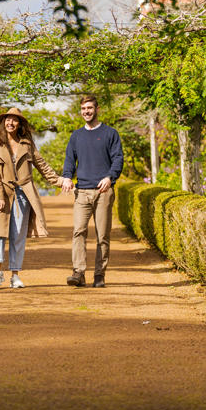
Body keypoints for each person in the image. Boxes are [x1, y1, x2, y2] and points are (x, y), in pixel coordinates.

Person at [0, 107, 71, 288]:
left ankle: (15, 274)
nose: (10, 123)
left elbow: (42, 166)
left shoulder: (27, 144)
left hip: (23, 193)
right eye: (8, 119)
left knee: (18, 234)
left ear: (20, 123)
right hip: (1, 193)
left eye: (15, 120)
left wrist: (60, 181)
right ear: (3, 122)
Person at [62, 95, 124, 288]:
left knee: (102, 235)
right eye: (83, 108)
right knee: (78, 231)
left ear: (97, 109)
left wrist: (110, 177)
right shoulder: (76, 136)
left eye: (89, 108)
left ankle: (99, 274)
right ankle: (78, 272)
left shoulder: (110, 134)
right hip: (82, 192)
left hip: (103, 191)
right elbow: (70, 160)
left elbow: (118, 159)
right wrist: (66, 176)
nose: (86, 111)